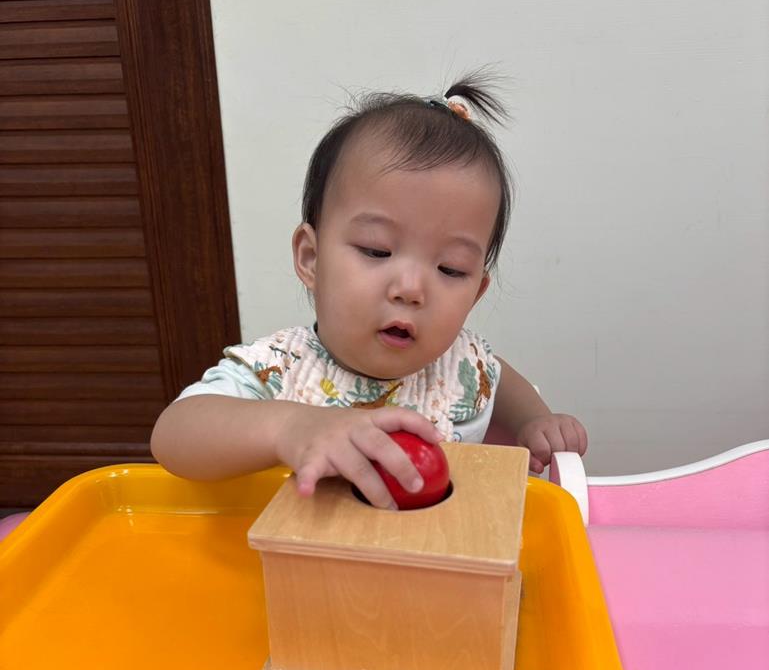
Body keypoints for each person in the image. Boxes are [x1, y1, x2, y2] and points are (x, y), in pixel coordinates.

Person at [151, 74, 587, 510]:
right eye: (377, 251)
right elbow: (174, 435)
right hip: (310, 549)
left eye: (450, 269)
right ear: (311, 258)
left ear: (476, 293)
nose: (411, 289)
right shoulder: (280, 368)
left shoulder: (462, 364)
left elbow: (499, 378)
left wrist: (535, 420)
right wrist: (289, 427)